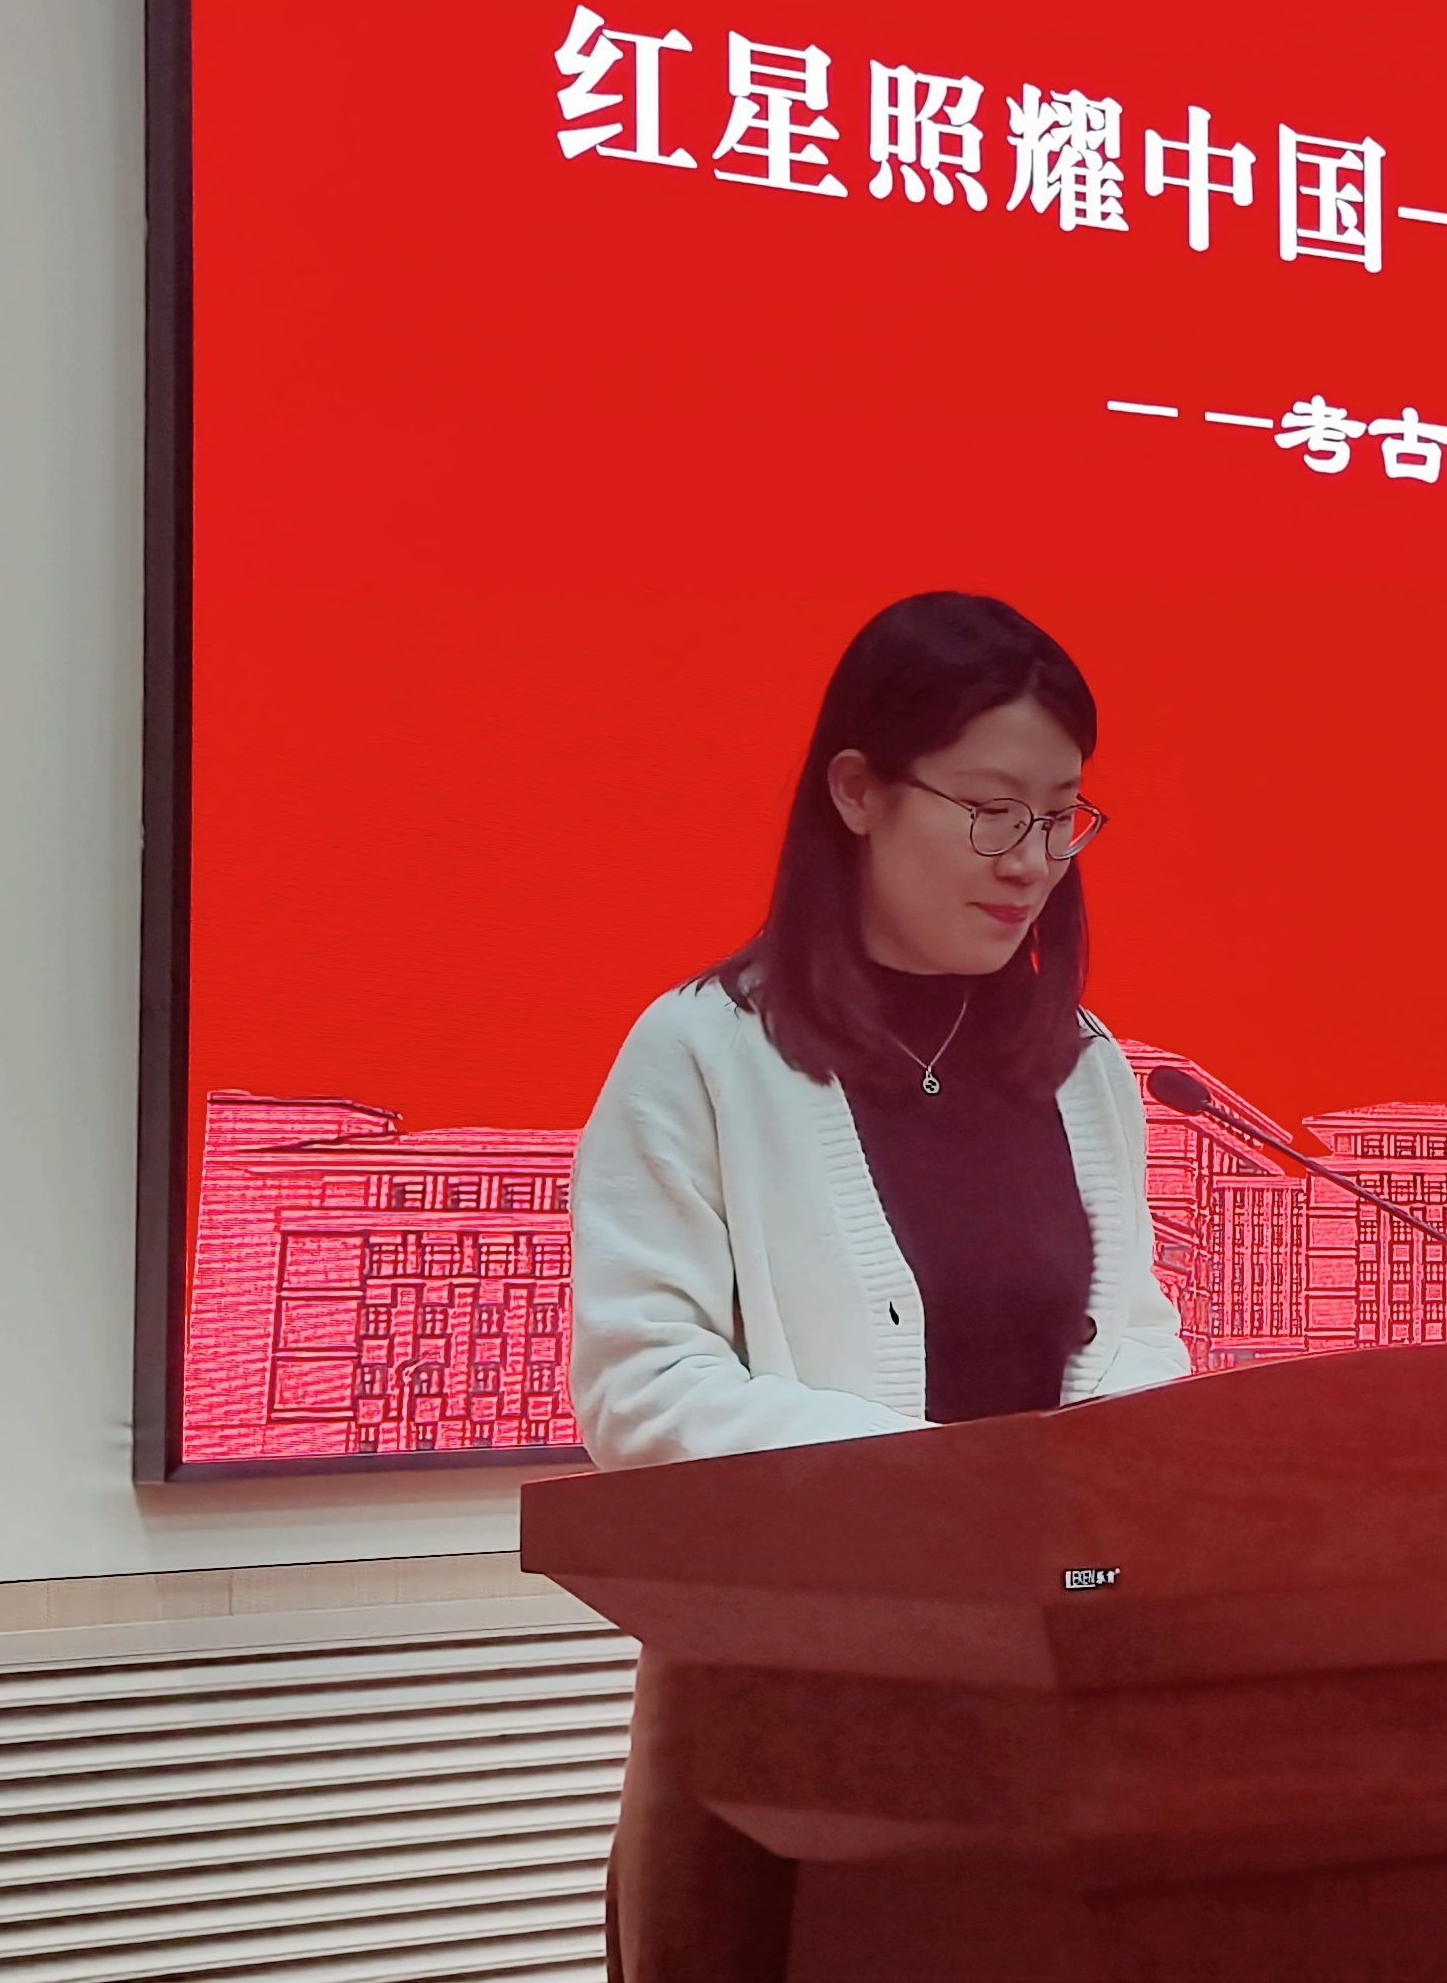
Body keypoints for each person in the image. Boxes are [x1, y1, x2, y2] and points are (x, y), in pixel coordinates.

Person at [569, 590, 1190, 1978]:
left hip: (1050, 1706)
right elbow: (643, 1387)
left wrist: (1151, 1479)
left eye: (1061, 818)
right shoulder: (703, 1053)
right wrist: (939, 1493)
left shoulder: (1083, 1066)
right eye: (990, 812)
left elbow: (1132, 1344)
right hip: (783, 1722)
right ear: (856, 791)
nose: (1032, 861)